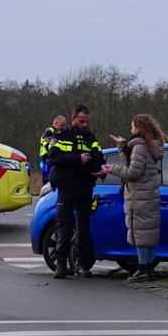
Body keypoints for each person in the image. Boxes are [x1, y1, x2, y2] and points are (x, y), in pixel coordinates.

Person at [105, 114, 166, 281]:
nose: (131, 130)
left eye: (132, 127)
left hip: (139, 196)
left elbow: (132, 173)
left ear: (138, 128)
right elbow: (132, 164)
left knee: (140, 233)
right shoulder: (150, 146)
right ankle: (149, 268)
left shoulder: (139, 147)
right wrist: (121, 146)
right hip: (149, 195)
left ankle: (143, 269)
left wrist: (112, 169)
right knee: (149, 233)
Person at [48, 106, 104, 279]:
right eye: (81, 121)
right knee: (63, 226)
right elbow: (53, 158)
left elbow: (99, 156)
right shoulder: (61, 136)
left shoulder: (90, 137)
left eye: (87, 121)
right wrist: (77, 159)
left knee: (83, 226)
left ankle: (81, 264)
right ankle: (61, 265)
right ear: (73, 118)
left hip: (84, 187)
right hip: (66, 186)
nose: (84, 124)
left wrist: (99, 169)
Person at [39, 115, 67, 191]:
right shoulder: (49, 131)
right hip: (46, 158)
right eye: (61, 125)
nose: (63, 127)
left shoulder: (61, 132)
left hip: (53, 158)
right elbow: (47, 142)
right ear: (55, 123)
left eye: (64, 126)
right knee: (48, 178)